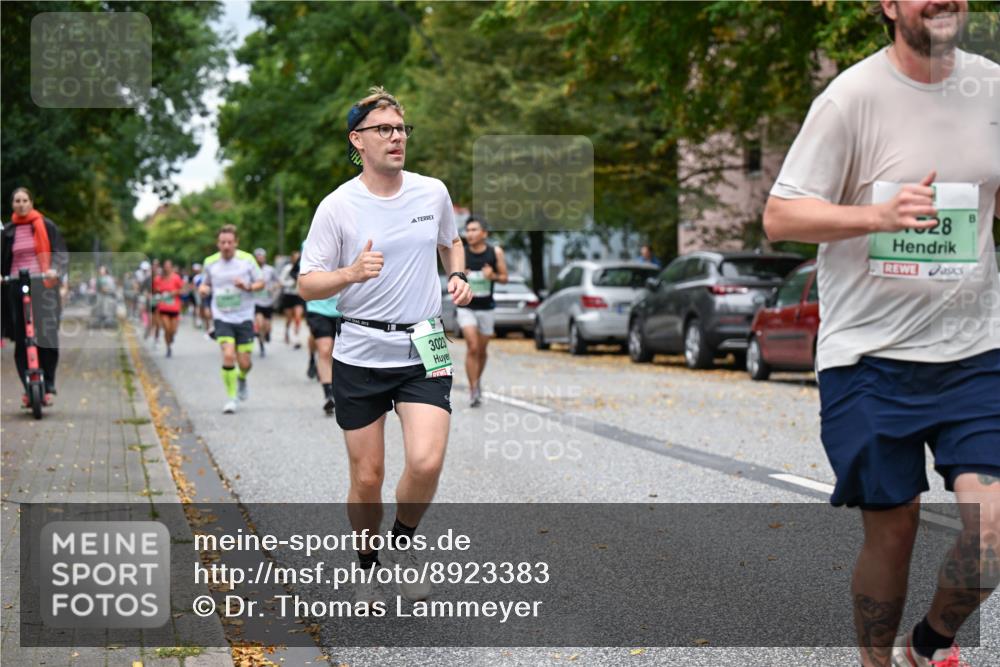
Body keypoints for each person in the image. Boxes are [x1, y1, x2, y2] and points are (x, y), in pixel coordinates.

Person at [762, 3, 999, 666]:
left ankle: (929, 644)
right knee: (892, 535)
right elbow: (780, 216)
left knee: (994, 533)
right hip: (868, 357)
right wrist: (876, 214)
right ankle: (876, 662)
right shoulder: (851, 99)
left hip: (975, 350)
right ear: (889, 6)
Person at [299, 86, 472, 608]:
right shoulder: (337, 207)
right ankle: (367, 560)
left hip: (426, 342)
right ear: (358, 140)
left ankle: (402, 545)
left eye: (401, 129)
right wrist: (350, 274)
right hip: (361, 349)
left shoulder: (432, 192)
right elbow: (308, 283)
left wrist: (458, 273)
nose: (397, 137)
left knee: (426, 461)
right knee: (367, 477)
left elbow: (451, 240)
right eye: (384, 129)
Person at [1, 187, 68, 405]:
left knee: (46, 333)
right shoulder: (8, 231)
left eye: (24, 200)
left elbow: (59, 253)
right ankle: (27, 386)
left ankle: (48, 382)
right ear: (12, 205)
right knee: (22, 337)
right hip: (15, 284)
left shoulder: (45, 225)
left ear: (31, 202)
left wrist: (54, 269)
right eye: (16, 201)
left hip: (43, 283)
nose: (20, 204)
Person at [199, 225, 264, 414]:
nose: (226, 246)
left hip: (244, 316)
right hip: (222, 316)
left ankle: (242, 377)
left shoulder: (247, 260)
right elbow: (204, 283)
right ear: (218, 243)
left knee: (245, 363)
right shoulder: (210, 262)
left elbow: (261, 283)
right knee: (228, 355)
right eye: (222, 242)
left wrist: (248, 286)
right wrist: (203, 289)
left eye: (229, 242)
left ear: (236, 242)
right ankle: (231, 397)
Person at [457, 216, 508, 407]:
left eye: (473, 230)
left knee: (482, 350)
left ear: (484, 233)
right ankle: (473, 389)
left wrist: (492, 275)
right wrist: (462, 276)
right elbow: (453, 277)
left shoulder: (496, 252)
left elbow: (505, 278)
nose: (469, 234)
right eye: (467, 230)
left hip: (487, 308)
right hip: (466, 307)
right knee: (472, 346)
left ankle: (477, 381)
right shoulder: (461, 253)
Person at [305, 289, 341, 416]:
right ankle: (329, 394)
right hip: (318, 309)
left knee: (336, 352)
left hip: (344, 310)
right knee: (325, 349)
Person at [252, 247, 279, 357]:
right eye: (258, 256)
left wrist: (272, 287)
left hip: (268, 302)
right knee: (260, 323)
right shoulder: (252, 270)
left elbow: (278, 283)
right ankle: (262, 346)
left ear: (265, 258)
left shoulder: (270, 270)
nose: (260, 258)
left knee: (267, 326)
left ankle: (267, 333)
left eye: (262, 256)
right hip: (256, 301)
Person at [154, 259, 184, 358]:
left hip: (174, 308)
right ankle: (168, 348)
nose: (167, 267)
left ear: (171, 267)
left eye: (169, 266)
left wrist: (174, 292)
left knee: (173, 330)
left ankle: (170, 338)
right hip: (163, 307)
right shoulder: (158, 278)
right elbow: (154, 290)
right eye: (165, 266)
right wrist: (158, 291)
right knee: (167, 328)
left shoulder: (176, 278)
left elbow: (182, 290)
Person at [278, 250, 305, 348]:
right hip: (288, 296)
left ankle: (296, 338)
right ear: (292, 258)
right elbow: (281, 281)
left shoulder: (302, 268)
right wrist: (291, 283)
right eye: (296, 257)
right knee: (289, 319)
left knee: (298, 317)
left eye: (299, 257)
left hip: (298, 296)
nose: (297, 259)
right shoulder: (287, 268)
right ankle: (287, 331)